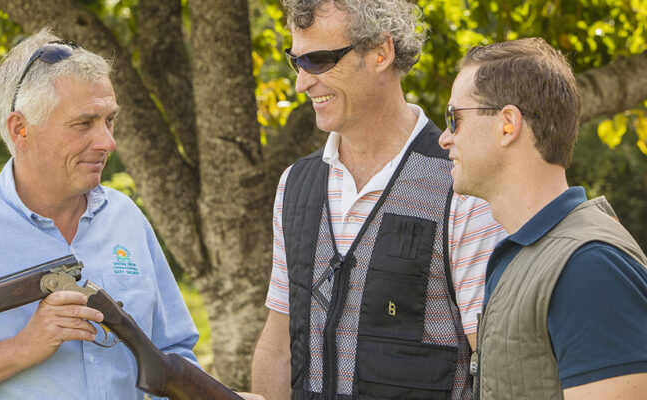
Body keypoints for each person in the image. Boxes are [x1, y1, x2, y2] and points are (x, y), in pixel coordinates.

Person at [0, 29, 200, 399]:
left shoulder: (126, 217)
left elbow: (176, 353)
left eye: (110, 120)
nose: (108, 141)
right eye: (84, 123)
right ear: (20, 128)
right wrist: (24, 347)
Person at [250, 1, 505, 399]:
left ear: (381, 53)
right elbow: (277, 347)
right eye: (296, 61)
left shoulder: (461, 185)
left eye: (318, 60)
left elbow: (495, 364)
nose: (301, 82)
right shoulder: (295, 185)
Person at [437, 37, 647, 399]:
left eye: (454, 118)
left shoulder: (589, 264)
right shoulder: (526, 254)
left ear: (507, 124)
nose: (444, 138)